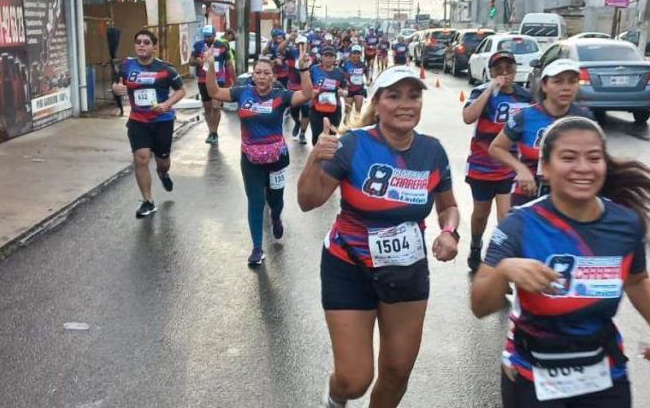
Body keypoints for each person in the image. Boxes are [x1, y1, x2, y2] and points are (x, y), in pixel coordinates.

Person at [471, 115, 650, 407]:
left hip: (604, 371)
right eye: (568, 157)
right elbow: (480, 306)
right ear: (545, 166)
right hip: (533, 375)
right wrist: (504, 271)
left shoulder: (625, 224)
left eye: (594, 158)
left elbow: (637, 280)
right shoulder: (520, 225)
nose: (583, 168)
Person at [297, 66, 460, 408]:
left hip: (407, 268)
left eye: (414, 96)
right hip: (349, 264)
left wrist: (449, 232)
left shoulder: (433, 151)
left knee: (397, 372)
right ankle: (335, 396)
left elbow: (448, 207)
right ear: (377, 102)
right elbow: (308, 201)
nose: (406, 104)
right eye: (394, 96)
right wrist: (315, 158)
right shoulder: (352, 145)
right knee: (354, 380)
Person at [203, 43, 314, 265]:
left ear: (273, 76)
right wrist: (210, 67)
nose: (261, 76)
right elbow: (214, 92)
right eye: (258, 72)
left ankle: (275, 216)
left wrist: (303, 70)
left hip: (276, 158)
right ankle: (256, 248)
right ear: (252, 76)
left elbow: (307, 94)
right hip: (250, 158)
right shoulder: (243, 92)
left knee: (276, 200)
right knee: (255, 200)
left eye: (266, 73)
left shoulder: (281, 96)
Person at [462, 51, 533, 272]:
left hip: (509, 167)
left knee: (506, 217)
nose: (504, 74)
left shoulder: (525, 97)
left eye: (509, 69)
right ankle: (475, 245)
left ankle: (502, 264)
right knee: (481, 214)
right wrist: (489, 89)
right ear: (491, 72)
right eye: (498, 69)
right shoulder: (481, 92)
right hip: (482, 166)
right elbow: (468, 117)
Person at [489, 58, 593, 207]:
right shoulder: (525, 116)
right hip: (529, 195)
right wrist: (521, 169)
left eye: (572, 81)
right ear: (544, 85)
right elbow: (496, 148)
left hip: (570, 196)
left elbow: (595, 157)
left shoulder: (584, 119)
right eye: (558, 82)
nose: (566, 88)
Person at [113, 29, 186, 218]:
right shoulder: (127, 66)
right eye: (138, 42)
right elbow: (116, 84)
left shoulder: (165, 69)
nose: (142, 45)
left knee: (163, 162)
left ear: (154, 47)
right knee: (141, 158)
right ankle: (148, 201)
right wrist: (117, 88)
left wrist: (166, 104)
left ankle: (163, 174)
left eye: (146, 42)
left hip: (162, 121)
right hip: (138, 121)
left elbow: (181, 91)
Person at [190, 25, 233, 145]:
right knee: (208, 107)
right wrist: (197, 61)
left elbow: (229, 64)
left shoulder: (222, 45)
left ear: (214, 35)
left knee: (216, 106)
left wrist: (233, 80)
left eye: (209, 36)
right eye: (205, 36)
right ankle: (211, 131)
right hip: (203, 80)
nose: (207, 38)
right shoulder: (198, 45)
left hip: (218, 79)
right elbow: (191, 61)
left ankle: (215, 132)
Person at [308, 46, 348, 145]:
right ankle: (317, 157)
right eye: (326, 56)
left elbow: (346, 90)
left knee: (332, 136)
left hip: (334, 109)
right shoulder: (314, 69)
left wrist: (343, 93)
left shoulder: (340, 72)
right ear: (321, 57)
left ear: (335, 58)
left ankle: (328, 159)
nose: (329, 59)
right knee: (317, 137)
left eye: (331, 56)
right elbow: (306, 86)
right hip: (316, 108)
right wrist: (312, 92)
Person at [285, 31, 312, 144]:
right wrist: (289, 39)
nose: (302, 45)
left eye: (303, 43)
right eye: (299, 43)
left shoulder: (312, 55)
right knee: (294, 111)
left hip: (305, 87)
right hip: (293, 87)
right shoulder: (291, 53)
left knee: (306, 112)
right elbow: (280, 50)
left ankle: (302, 133)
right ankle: (297, 122)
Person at [341, 45, 369, 126]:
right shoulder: (345, 64)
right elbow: (341, 75)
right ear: (351, 54)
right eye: (354, 53)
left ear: (360, 54)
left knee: (358, 110)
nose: (356, 55)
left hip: (359, 89)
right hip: (349, 89)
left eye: (358, 53)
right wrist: (345, 83)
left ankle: (356, 127)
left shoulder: (362, 64)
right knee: (347, 110)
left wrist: (368, 80)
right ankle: (346, 125)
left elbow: (366, 73)